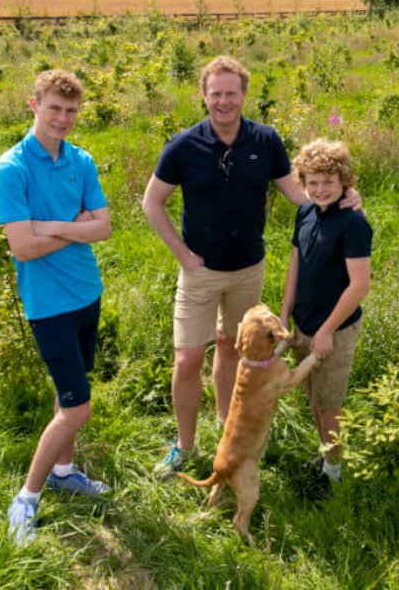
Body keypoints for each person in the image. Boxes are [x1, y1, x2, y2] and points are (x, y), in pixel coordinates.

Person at [142, 56, 361, 481]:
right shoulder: (184, 145)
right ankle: (184, 446)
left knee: (231, 347)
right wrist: (183, 255)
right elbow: (152, 202)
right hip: (200, 271)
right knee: (187, 359)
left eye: (231, 93)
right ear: (204, 96)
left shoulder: (266, 140)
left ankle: (228, 429)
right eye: (215, 93)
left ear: (244, 95)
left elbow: (301, 195)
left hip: (249, 269)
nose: (223, 101)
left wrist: (345, 198)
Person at [0, 69, 112, 545]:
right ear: (33, 105)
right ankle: (26, 497)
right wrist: (74, 224)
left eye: (71, 110)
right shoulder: (13, 168)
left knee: (69, 398)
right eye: (54, 108)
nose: (63, 118)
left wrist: (50, 226)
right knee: (77, 408)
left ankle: (65, 470)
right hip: (49, 306)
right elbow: (21, 247)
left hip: (88, 293)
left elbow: (103, 228)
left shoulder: (81, 161)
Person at [279, 138, 372, 497]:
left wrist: (327, 331)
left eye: (328, 182)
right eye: (313, 182)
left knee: (330, 404)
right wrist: (285, 312)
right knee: (314, 398)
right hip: (303, 322)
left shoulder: (352, 223)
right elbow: (295, 263)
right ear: (302, 182)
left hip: (334, 329)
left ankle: (333, 476)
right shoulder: (305, 213)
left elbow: (359, 285)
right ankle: (324, 456)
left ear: (344, 181)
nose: (320, 189)